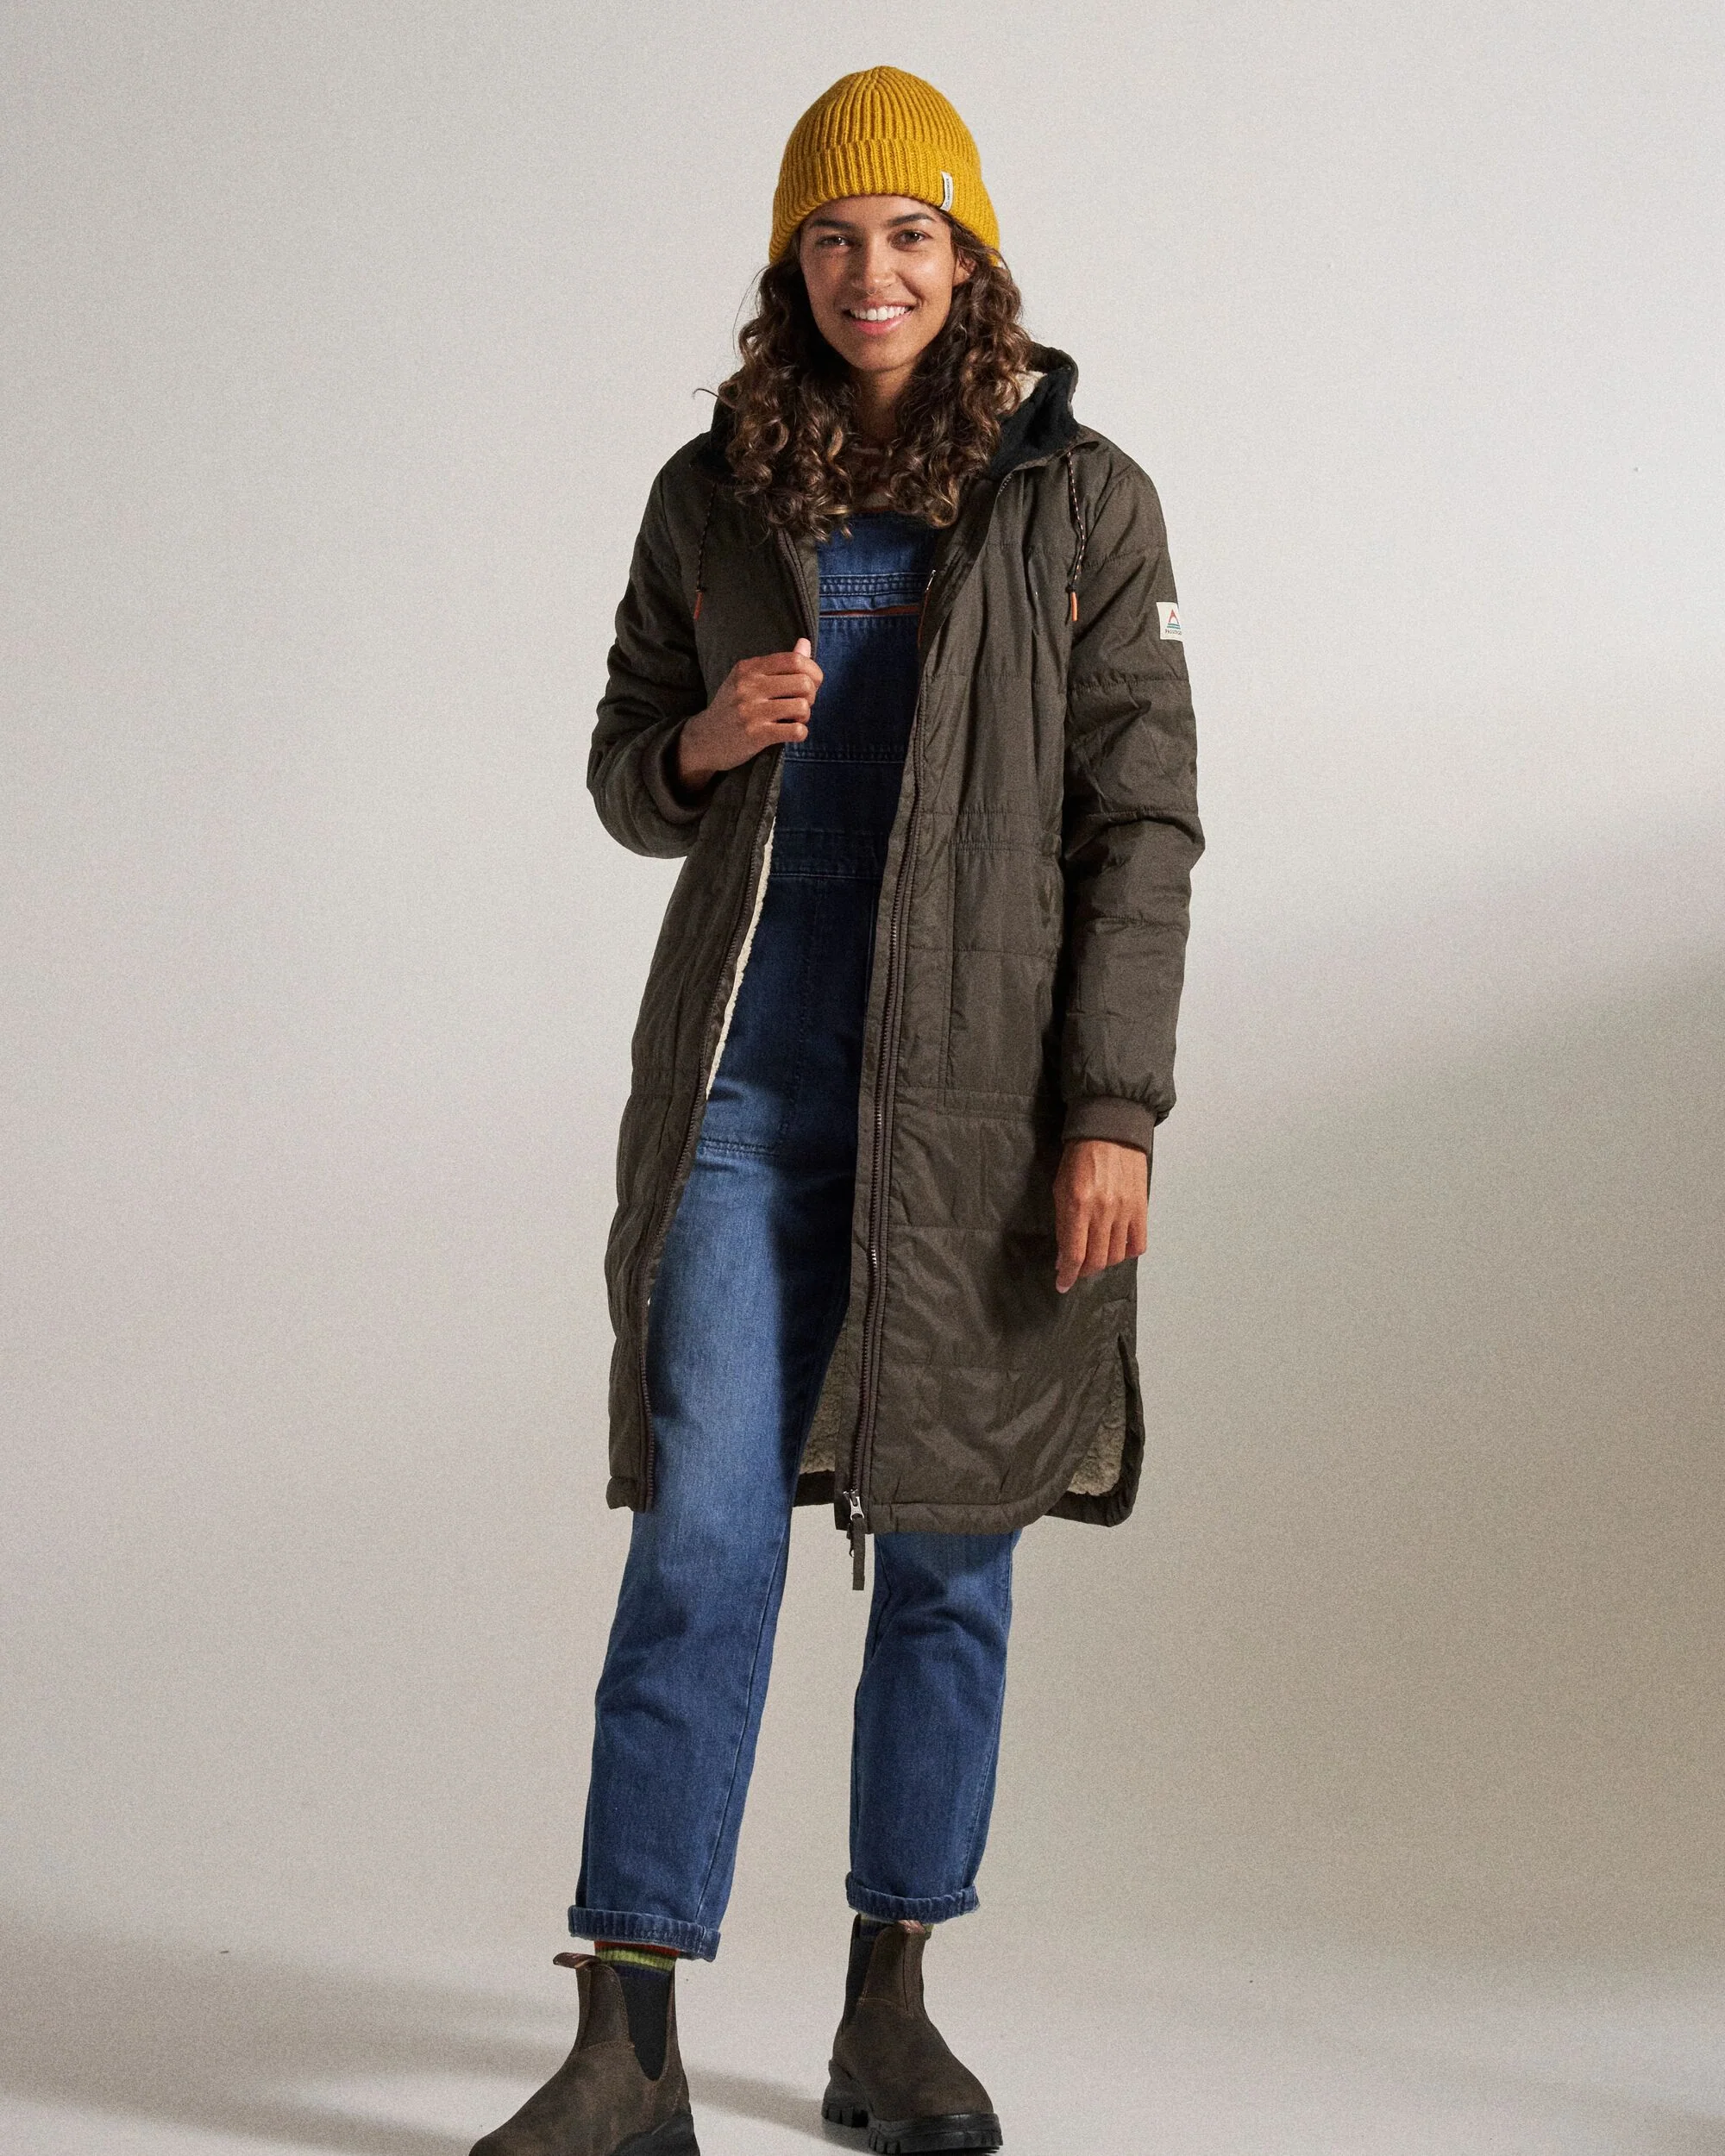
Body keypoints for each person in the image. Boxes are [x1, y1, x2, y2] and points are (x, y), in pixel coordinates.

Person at [473, 65, 1202, 2156]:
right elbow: (625, 765)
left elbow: (1141, 822)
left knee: (952, 1552)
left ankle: (890, 2012)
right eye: (830, 236)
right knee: (702, 1537)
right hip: (748, 1097)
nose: (868, 270)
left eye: (907, 233)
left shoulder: (1081, 500)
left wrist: (1113, 1106)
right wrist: (703, 739)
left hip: (985, 1119)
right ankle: (628, 2039)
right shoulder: (711, 490)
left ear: (967, 258)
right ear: (787, 264)